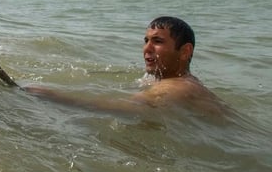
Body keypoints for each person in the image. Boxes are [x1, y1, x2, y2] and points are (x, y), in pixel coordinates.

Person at [25, 16, 227, 116]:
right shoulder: (167, 80)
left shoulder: (179, 86)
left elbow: (132, 107)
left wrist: (56, 97)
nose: (147, 48)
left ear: (185, 51)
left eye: (157, 41)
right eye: (146, 40)